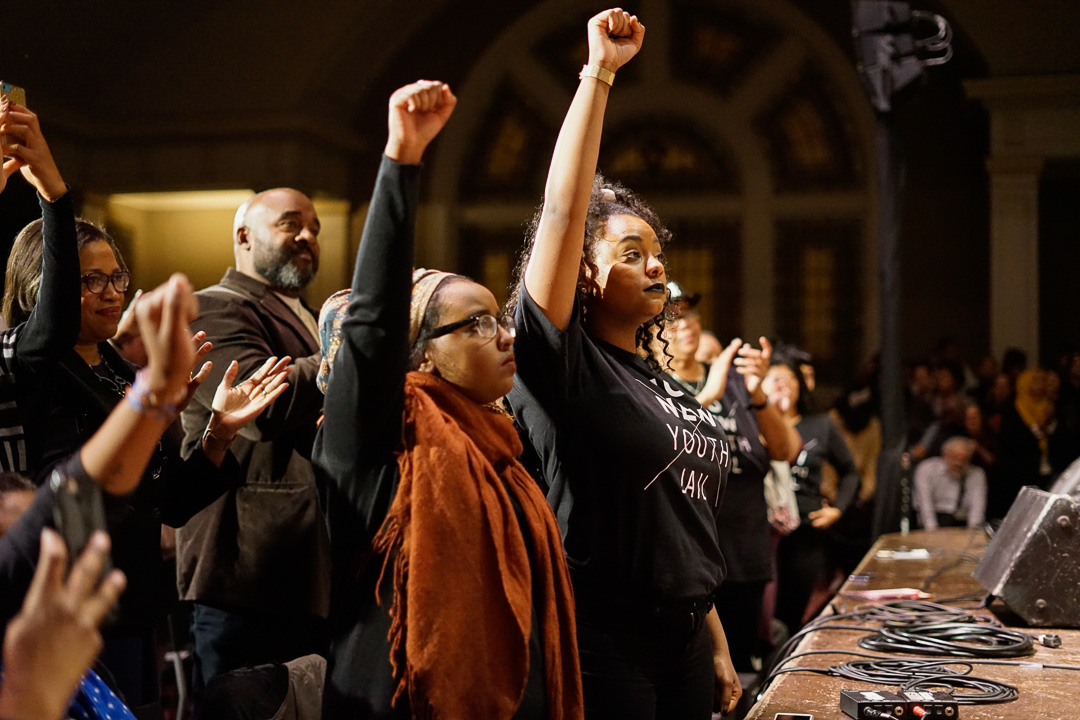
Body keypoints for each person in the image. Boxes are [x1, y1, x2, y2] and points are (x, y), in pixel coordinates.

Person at [0, 97, 288, 710]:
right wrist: (54, 193)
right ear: (43, 287)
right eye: (91, 280)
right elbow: (49, 324)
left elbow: (171, 503)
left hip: (132, 604)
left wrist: (215, 433)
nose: (114, 292)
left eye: (117, 276)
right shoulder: (34, 359)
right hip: (60, 595)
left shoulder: (117, 371)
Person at [312, 79, 581, 720]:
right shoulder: (377, 433)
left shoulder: (503, 451)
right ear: (424, 351)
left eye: (500, 318)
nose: (504, 335)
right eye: (478, 324)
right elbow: (375, 321)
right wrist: (401, 160)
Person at [504, 10, 740, 717]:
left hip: (690, 635)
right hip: (604, 638)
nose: (655, 264)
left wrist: (718, 642)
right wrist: (599, 74)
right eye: (630, 255)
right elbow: (560, 213)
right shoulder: (567, 370)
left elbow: (681, 527)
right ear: (584, 278)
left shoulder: (664, 384)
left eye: (657, 252)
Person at [176, 183, 330, 690]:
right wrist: (348, 345)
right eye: (290, 224)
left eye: (314, 228)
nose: (308, 235)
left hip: (306, 569)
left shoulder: (307, 315)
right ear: (243, 235)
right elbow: (260, 406)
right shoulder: (208, 307)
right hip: (244, 572)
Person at [664, 284, 799, 672]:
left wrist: (757, 393)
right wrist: (708, 393)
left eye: (690, 315)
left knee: (740, 667)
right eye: (674, 316)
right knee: (696, 673)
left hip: (745, 548)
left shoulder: (734, 381)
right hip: (692, 556)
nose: (686, 324)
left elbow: (783, 450)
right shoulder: (658, 386)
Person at [762, 357, 859, 635]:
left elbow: (850, 472)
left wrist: (837, 509)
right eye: (776, 378)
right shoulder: (752, 421)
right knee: (762, 616)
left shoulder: (821, 424)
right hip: (762, 532)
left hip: (806, 530)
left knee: (792, 614)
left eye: (790, 379)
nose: (784, 385)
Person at [913, 436, 987, 529]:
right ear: (945, 456)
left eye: (963, 459)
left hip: (960, 524)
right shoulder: (927, 469)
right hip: (933, 521)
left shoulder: (976, 474)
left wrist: (973, 532)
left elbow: (977, 507)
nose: (958, 463)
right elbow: (924, 503)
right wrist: (932, 530)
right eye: (955, 458)